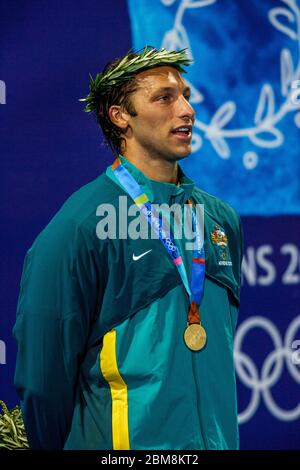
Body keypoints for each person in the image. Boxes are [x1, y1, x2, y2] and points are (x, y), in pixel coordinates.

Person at [13, 47, 243, 450]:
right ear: (120, 117)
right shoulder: (80, 226)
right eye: (164, 98)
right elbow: (43, 380)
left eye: (185, 94)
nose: (186, 110)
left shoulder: (220, 220)